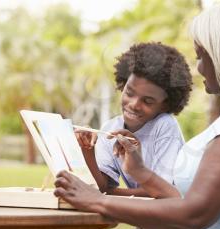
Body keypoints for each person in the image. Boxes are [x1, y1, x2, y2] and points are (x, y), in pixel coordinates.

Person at [55, 1, 220, 229]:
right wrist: (141, 172)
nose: (198, 67)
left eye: (201, 55)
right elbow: (185, 202)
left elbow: (194, 214)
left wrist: (98, 201)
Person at [76, 42, 193, 198]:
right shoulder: (111, 128)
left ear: (165, 105)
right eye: (129, 93)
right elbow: (102, 185)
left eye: (148, 101)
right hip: (144, 218)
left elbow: (162, 192)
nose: (134, 104)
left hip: (171, 218)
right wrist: (87, 150)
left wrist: (111, 193)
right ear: (123, 85)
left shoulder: (164, 125)